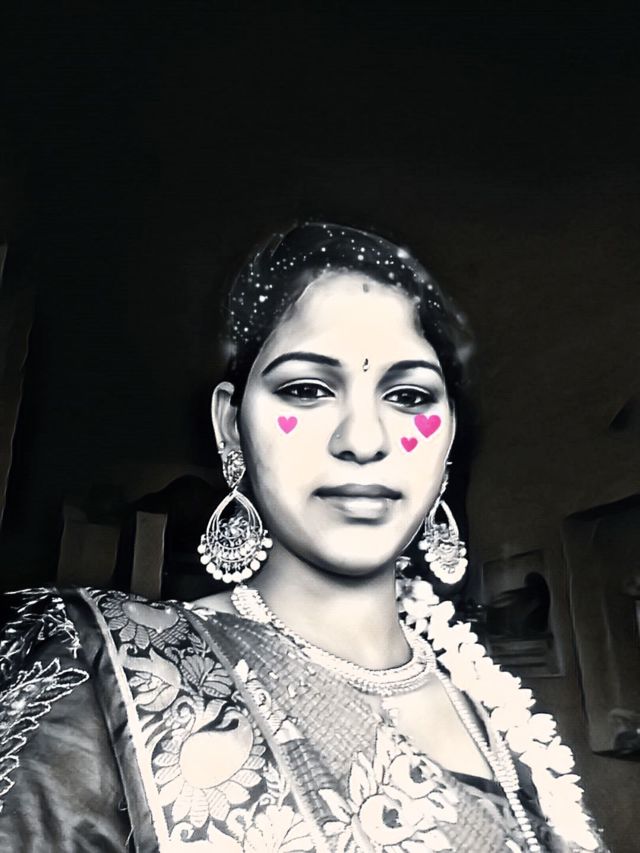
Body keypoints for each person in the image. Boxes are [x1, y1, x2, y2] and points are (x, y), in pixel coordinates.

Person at [0, 222, 607, 852]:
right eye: (308, 389)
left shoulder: (500, 715)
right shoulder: (98, 675)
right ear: (231, 426)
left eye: (408, 395)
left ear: (448, 437)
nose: (363, 440)